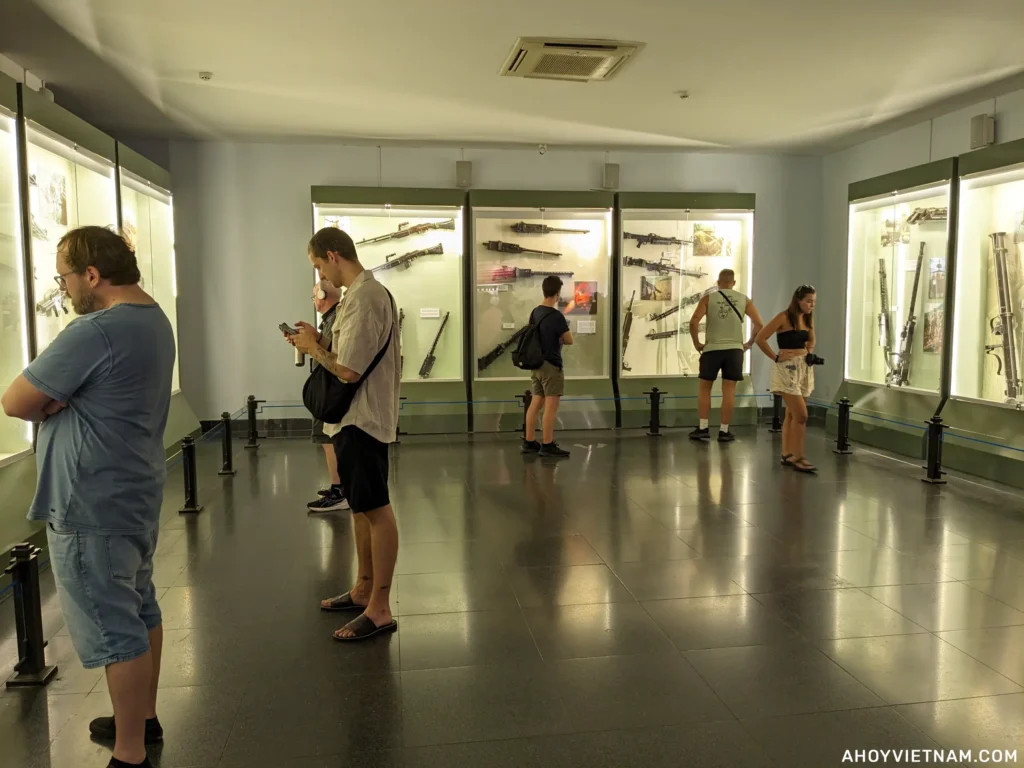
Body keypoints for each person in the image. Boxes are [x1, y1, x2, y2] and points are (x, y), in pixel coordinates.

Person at [1, 227, 175, 768]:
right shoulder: (154, 319)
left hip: (89, 498)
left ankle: (128, 753)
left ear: (92, 276)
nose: (66, 286)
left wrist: (55, 402)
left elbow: (15, 401)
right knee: (139, 603)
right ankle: (141, 719)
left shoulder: (95, 331)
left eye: (65, 276)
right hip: (133, 489)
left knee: (111, 621)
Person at [288, 227, 401, 641]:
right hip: (353, 418)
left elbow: (349, 369)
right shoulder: (359, 295)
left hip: (363, 419)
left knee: (376, 509)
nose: (320, 276)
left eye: (319, 265)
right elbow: (349, 354)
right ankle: (364, 588)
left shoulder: (367, 296)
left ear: (333, 256)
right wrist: (317, 339)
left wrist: (314, 348)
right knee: (360, 507)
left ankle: (381, 607)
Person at [688, 269, 764, 442]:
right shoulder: (744, 299)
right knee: (729, 390)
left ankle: (703, 427)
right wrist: (748, 343)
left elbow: (693, 322)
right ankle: (724, 430)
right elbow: (759, 323)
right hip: (734, 350)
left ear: (717, 282)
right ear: (734, 283)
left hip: (712, 349)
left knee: (705, 388)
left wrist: (697, 343)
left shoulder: (708, 298)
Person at [755, 284, 817, 473]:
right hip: (787, 369)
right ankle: (799, 457)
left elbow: (811, 340)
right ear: (798, 300)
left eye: (813, 302)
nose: (811, 305)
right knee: (801, 415)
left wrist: (809, 352)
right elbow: (761, 338)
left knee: (791, 413)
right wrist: (775, 356)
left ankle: (787, 453)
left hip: (803, 368)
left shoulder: (807, 318)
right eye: (808, 301)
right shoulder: (783, 317)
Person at [305, 278, 350, 513]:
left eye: (314, 295)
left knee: (328, 440)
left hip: (331, 390)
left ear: (322, 297)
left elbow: (337, 355)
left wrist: (312, 346)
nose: (314, 300)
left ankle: (339, 489)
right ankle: (339, 487)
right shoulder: (334, 317)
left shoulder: (336, 317)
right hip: (331, 388)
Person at [521, 276, 574, 458]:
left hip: (536, 365)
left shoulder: (535, 312)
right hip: (551, 365)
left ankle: (529, 441)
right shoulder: (556, 315)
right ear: (557, 293)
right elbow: (569, 340)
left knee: (535, 403)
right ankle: (547, 444)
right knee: (551, 407)